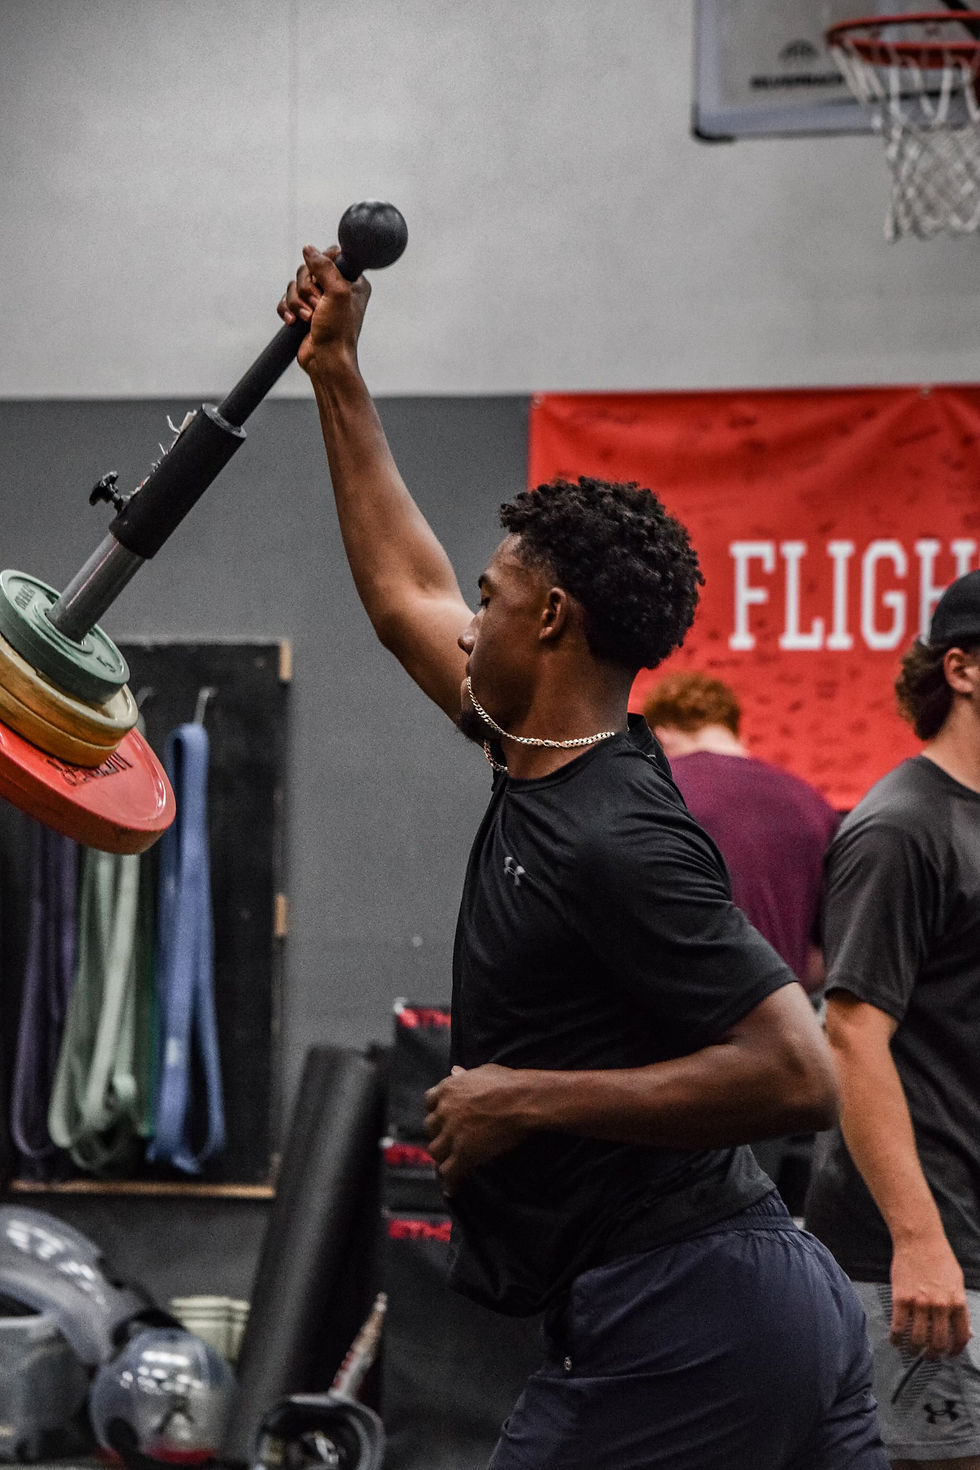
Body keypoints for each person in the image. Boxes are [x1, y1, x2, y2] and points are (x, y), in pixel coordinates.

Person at [278, 246, 887, 1468]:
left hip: (691, 1313)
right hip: (739, 1306)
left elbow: (798, 1075)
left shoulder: (616, 834)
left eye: (494, 595)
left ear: (550, 618)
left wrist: (520, 1096)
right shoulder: (534, 755)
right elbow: (404, 588)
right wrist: (338, 372)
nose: (472, 614)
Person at [805, 570, 980, 1470]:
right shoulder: (903, 828)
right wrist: (919, 1242)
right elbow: (851, 1036)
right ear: (962, 668)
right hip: (921, 1259)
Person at [644, 670, 839, 994]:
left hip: (680, 1024)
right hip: (785, 1026)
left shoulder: (655, 791)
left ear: (660, 735)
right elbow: (829, 954)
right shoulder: (811, 804)